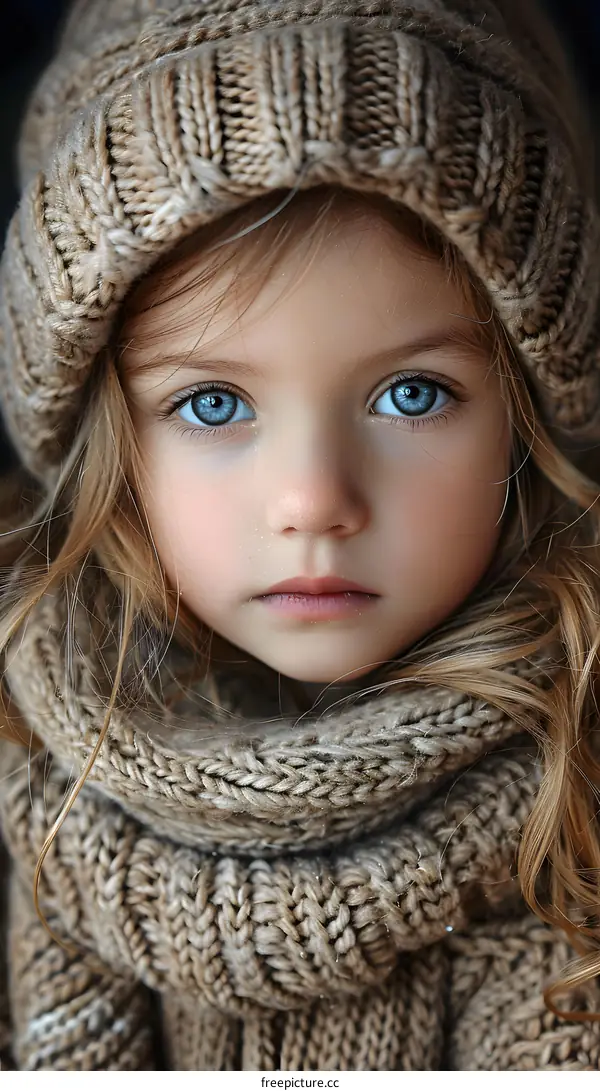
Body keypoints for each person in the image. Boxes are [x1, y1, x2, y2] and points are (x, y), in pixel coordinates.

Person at [0, 0, 599, 1073]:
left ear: (527, 413)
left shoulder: (573, 804)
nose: (314, 500)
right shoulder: (37, 785)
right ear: (106, 442)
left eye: (413, 393)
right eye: (214, 404)